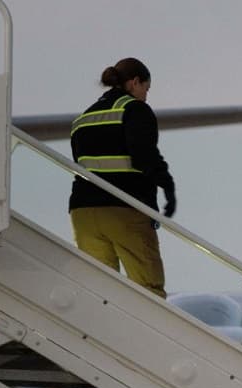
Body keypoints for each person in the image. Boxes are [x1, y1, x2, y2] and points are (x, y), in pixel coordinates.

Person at [69, 57, 176, 298]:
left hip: (83, 212)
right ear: (135, 82)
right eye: (145, 89)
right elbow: (143, 156)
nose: (146, 96)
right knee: (148, 290)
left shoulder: (82, 119)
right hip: (124, 208)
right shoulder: (134, 109)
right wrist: (167, 185)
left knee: (102, 293)